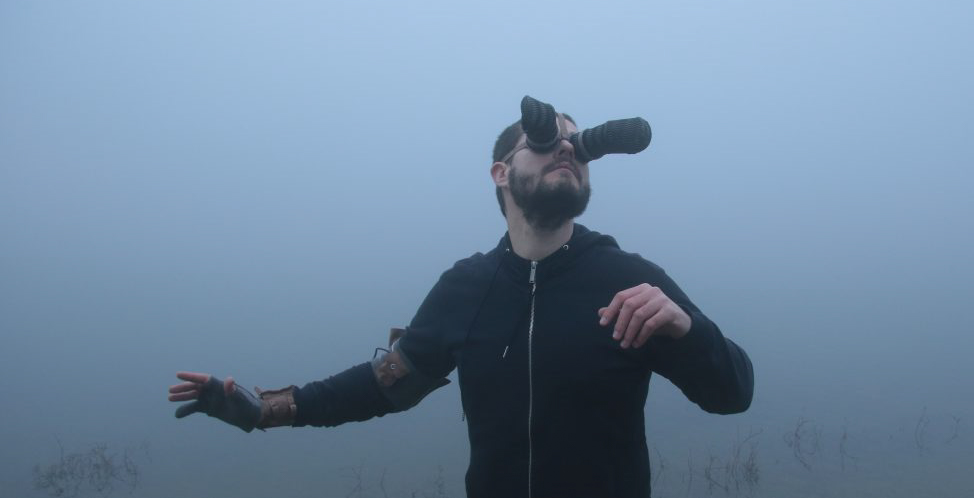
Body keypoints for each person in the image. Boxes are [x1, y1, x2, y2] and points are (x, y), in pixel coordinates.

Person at [170, 108, 754, 498]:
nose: (568, 151)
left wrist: (687, 329)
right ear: (501, 173)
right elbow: (386, 386)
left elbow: (733, 394)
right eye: (548, 142)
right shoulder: (465, 288)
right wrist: (265, 409)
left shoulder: (631, 281)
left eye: (578, 146)